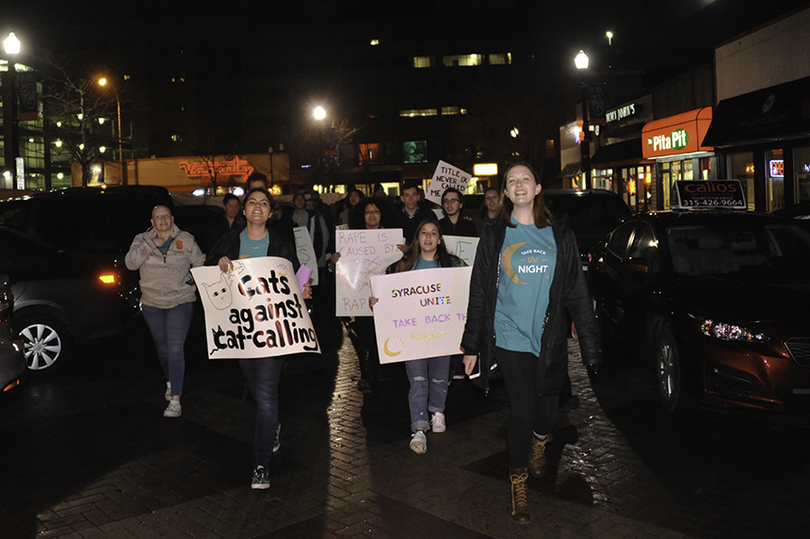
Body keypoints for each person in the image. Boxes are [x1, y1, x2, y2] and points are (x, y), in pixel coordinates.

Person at [460, 162, 601, 524]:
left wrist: (590, 345)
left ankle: (540, 441)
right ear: (506, 192)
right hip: (509, 336)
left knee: (547, 413)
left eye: (526, 179)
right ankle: (518, 482)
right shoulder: (495, 235)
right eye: (512, 181)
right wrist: (472, 344)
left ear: (538, 188)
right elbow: (479, 292)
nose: (519, 185)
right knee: (521, 410)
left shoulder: (559, 234)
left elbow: (576, 293)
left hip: (549, 339)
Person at [206, 187, 312, 490]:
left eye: (263, 203)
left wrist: (304, 291)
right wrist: (218, 262)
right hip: (239, 331)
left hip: (272, 333)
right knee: (257, 390)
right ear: (243, 209)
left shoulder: (280, 245)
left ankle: (261, 465)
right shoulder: (229, 241)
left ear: (271, 211)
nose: (257, 207)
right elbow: (207, 270)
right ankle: (273, 423)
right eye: (252, 202)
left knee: (266, 397)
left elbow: (295, 281)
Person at [369, 219, 464, 454]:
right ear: (417, 238)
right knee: (418, 380)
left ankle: (438, 412)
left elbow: (466, 290)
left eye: (434, 233)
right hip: (412, 335)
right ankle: (419, 427)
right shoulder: (403, 265)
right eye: (424, 233)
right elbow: (385, 293)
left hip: (442, 332)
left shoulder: (453, 265)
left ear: (440, 239)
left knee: (441, 376)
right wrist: (377, 302)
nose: (429, 237)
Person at [125, 205, 205, 418]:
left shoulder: (186, 239)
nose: (162, 220)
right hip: (152, 303)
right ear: (152, 222)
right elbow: (131, 264)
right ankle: (172, 381)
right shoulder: (141, 239)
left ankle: (176, 400)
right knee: (162, 350)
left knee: (175, 348)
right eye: (157, 217)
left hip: (181, 300)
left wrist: (194, 280)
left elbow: (200, 263)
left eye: (165, 216)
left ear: (172, 219)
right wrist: (150, 244)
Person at [332, 196, 395, 392]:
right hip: (361, 296)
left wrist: (406, 252)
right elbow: (343, 271)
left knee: (385, 333)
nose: (372, 215)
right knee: (366, 335)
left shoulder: (393, 239)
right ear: (362, 215)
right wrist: (335, 261)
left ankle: (384, 370)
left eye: (376, 211)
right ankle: (367, 374)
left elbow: (403, 267)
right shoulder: (351, 240)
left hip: (385, 296)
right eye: (368, 211)